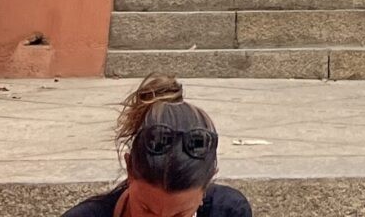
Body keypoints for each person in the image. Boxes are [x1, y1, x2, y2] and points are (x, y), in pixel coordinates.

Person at [62, 73, 251, 217]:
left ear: (206, 187)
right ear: (129, 169)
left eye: (179, 216)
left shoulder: (229, 210)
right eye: (146, 211)